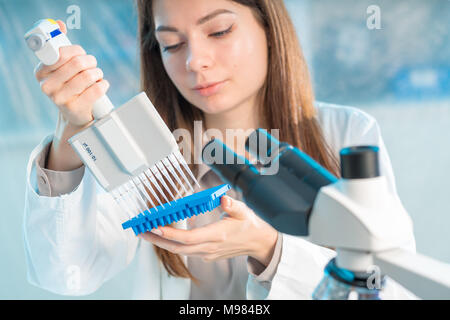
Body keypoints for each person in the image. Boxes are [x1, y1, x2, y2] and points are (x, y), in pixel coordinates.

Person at [24, 0, 417, 299]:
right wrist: (71, 130)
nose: (196, 62)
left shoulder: (347, 134)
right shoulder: (143, 153)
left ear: (268, 26)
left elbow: (393, 289)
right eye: (172, 44)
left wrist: (269, 248)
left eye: (219, 31)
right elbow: (65, 274)